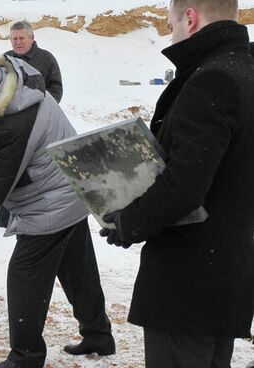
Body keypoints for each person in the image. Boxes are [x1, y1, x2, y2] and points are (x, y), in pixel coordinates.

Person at [0, 39, 114, 368]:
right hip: (69, 186)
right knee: (77, 268)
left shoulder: (11, 120)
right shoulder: (12, 75)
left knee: (24, 275)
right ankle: (98, 333)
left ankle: (25, 357)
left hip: (49, 203)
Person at [99, 0, 254, 366]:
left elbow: (184, 184)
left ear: (190, 17)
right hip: (227, 272)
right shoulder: (245, 70)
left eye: (171, 25)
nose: (172, 33)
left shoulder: (212, 79)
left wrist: (128, 221)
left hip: (189, 282)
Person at [0, 20, 64, 228]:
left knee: (31, 171)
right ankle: (4, 219)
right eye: (14, 38)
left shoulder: (46, 59)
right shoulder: (5, 59)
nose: (17, 42)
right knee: (5, 169)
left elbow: (56, 90)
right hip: (10, 125)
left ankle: (31, 215)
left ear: (32, 39)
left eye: (22, 38)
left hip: (38, 127)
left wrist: (40, 111)